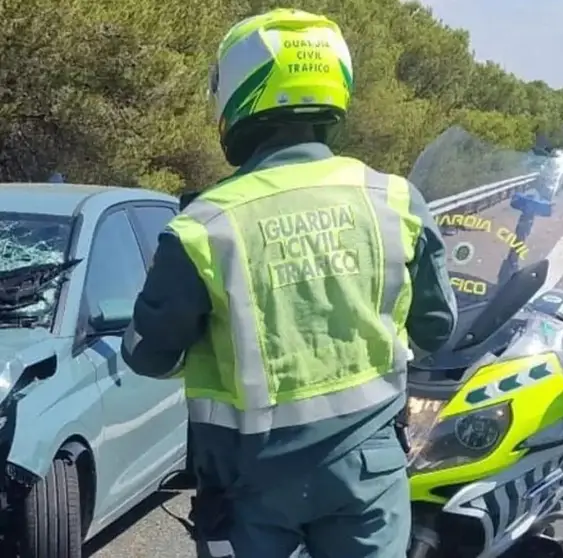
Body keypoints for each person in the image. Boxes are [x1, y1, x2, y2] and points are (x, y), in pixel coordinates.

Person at [120, 8, 458, 558]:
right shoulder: (395, 201)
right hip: (367, 473)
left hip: (248, 482)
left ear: (237, 94)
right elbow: (436, 328)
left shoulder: (205, 225)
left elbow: (149, 355)